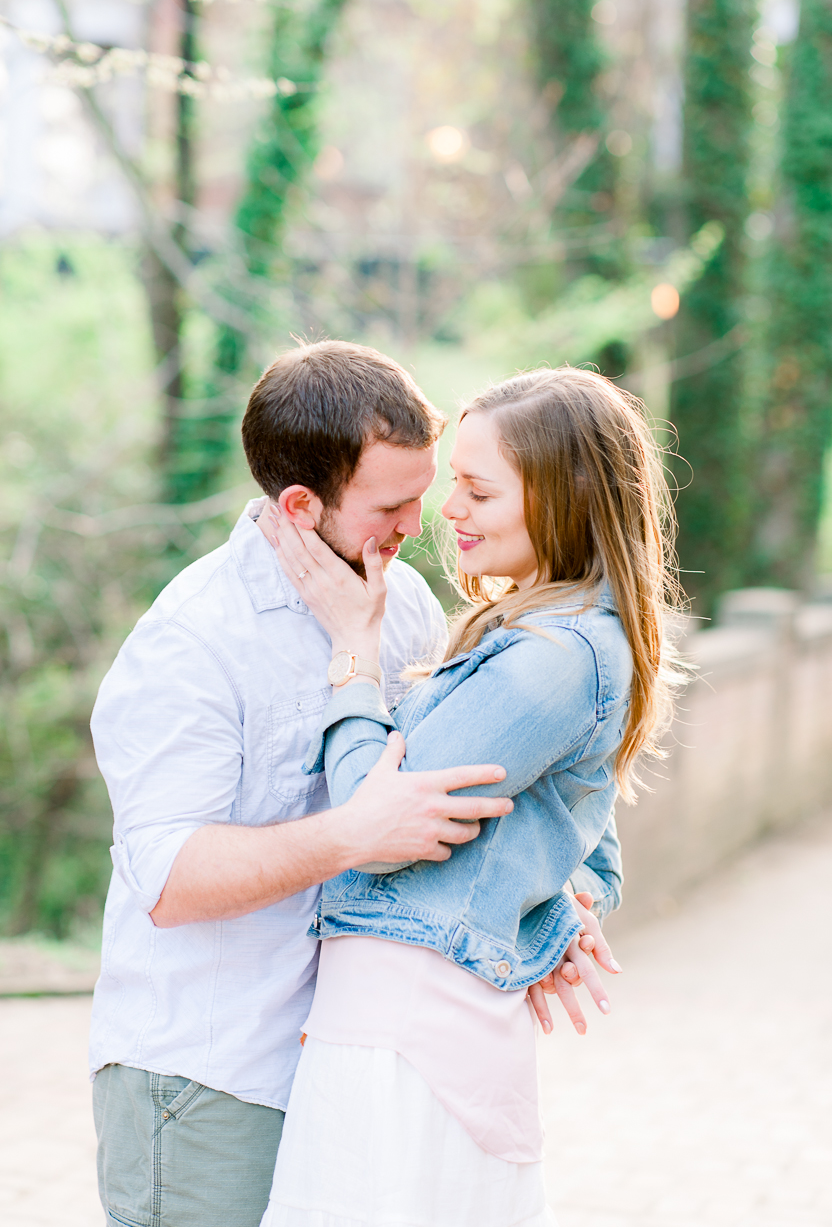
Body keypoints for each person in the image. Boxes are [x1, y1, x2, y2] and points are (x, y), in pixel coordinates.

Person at [88, 341, 620, 1227]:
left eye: (432, 489)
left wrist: (555, 896)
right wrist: (351, 835)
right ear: (302, 504)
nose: (425, 520)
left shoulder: (403, 602)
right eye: (394, 505)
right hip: (214, 1077)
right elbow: (170, 880)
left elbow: (478, 780)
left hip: (355, 1064)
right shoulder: (191, 641)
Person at [260, 365, 678, 1227]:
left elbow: (372, 830)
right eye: (457, 483)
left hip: (409, 1025)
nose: (447, 513)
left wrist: (353, 656)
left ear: (564, 500)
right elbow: (589, 839)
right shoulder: (553, 636)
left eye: (478, 492)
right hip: (408, 1017)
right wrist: (562, 905)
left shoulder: (556, 659)